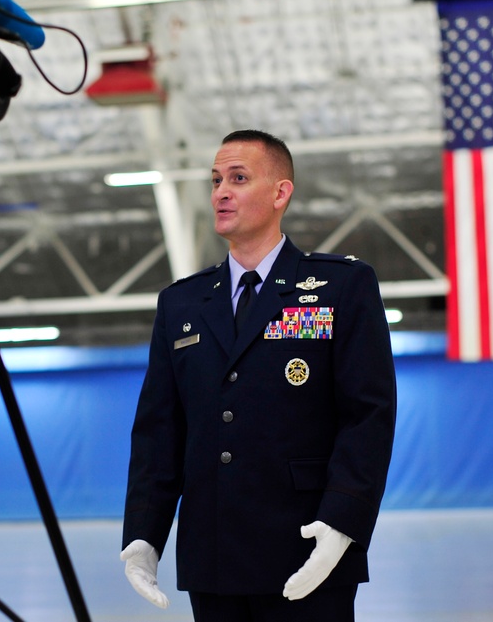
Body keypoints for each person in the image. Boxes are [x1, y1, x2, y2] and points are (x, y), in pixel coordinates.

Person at [120, 129, 397, 621]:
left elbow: (367, 417)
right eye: (215, 180)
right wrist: (144, 532)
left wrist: (342, 521)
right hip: (214, 555)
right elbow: (160, 430)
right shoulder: (181, 302)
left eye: (239, 178)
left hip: (308, 547)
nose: (220, 191)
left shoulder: (341, 286)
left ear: (280, 192)